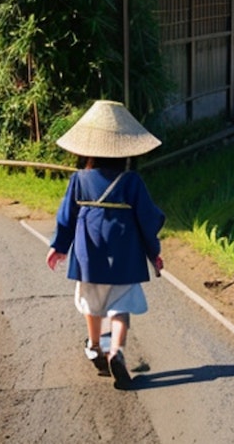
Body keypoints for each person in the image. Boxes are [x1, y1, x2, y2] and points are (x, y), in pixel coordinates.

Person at [46, 100, 165, 390]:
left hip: (89, 256)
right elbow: (148, 220)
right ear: (125, 150)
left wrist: (58, 246)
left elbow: (67, 217)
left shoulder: (79, 180)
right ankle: (118, 352)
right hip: (125, 257)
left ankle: (95, 346)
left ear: (88, 150)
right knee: (120, 307)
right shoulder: (132, 182)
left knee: (91, 302)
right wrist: (154, 252)